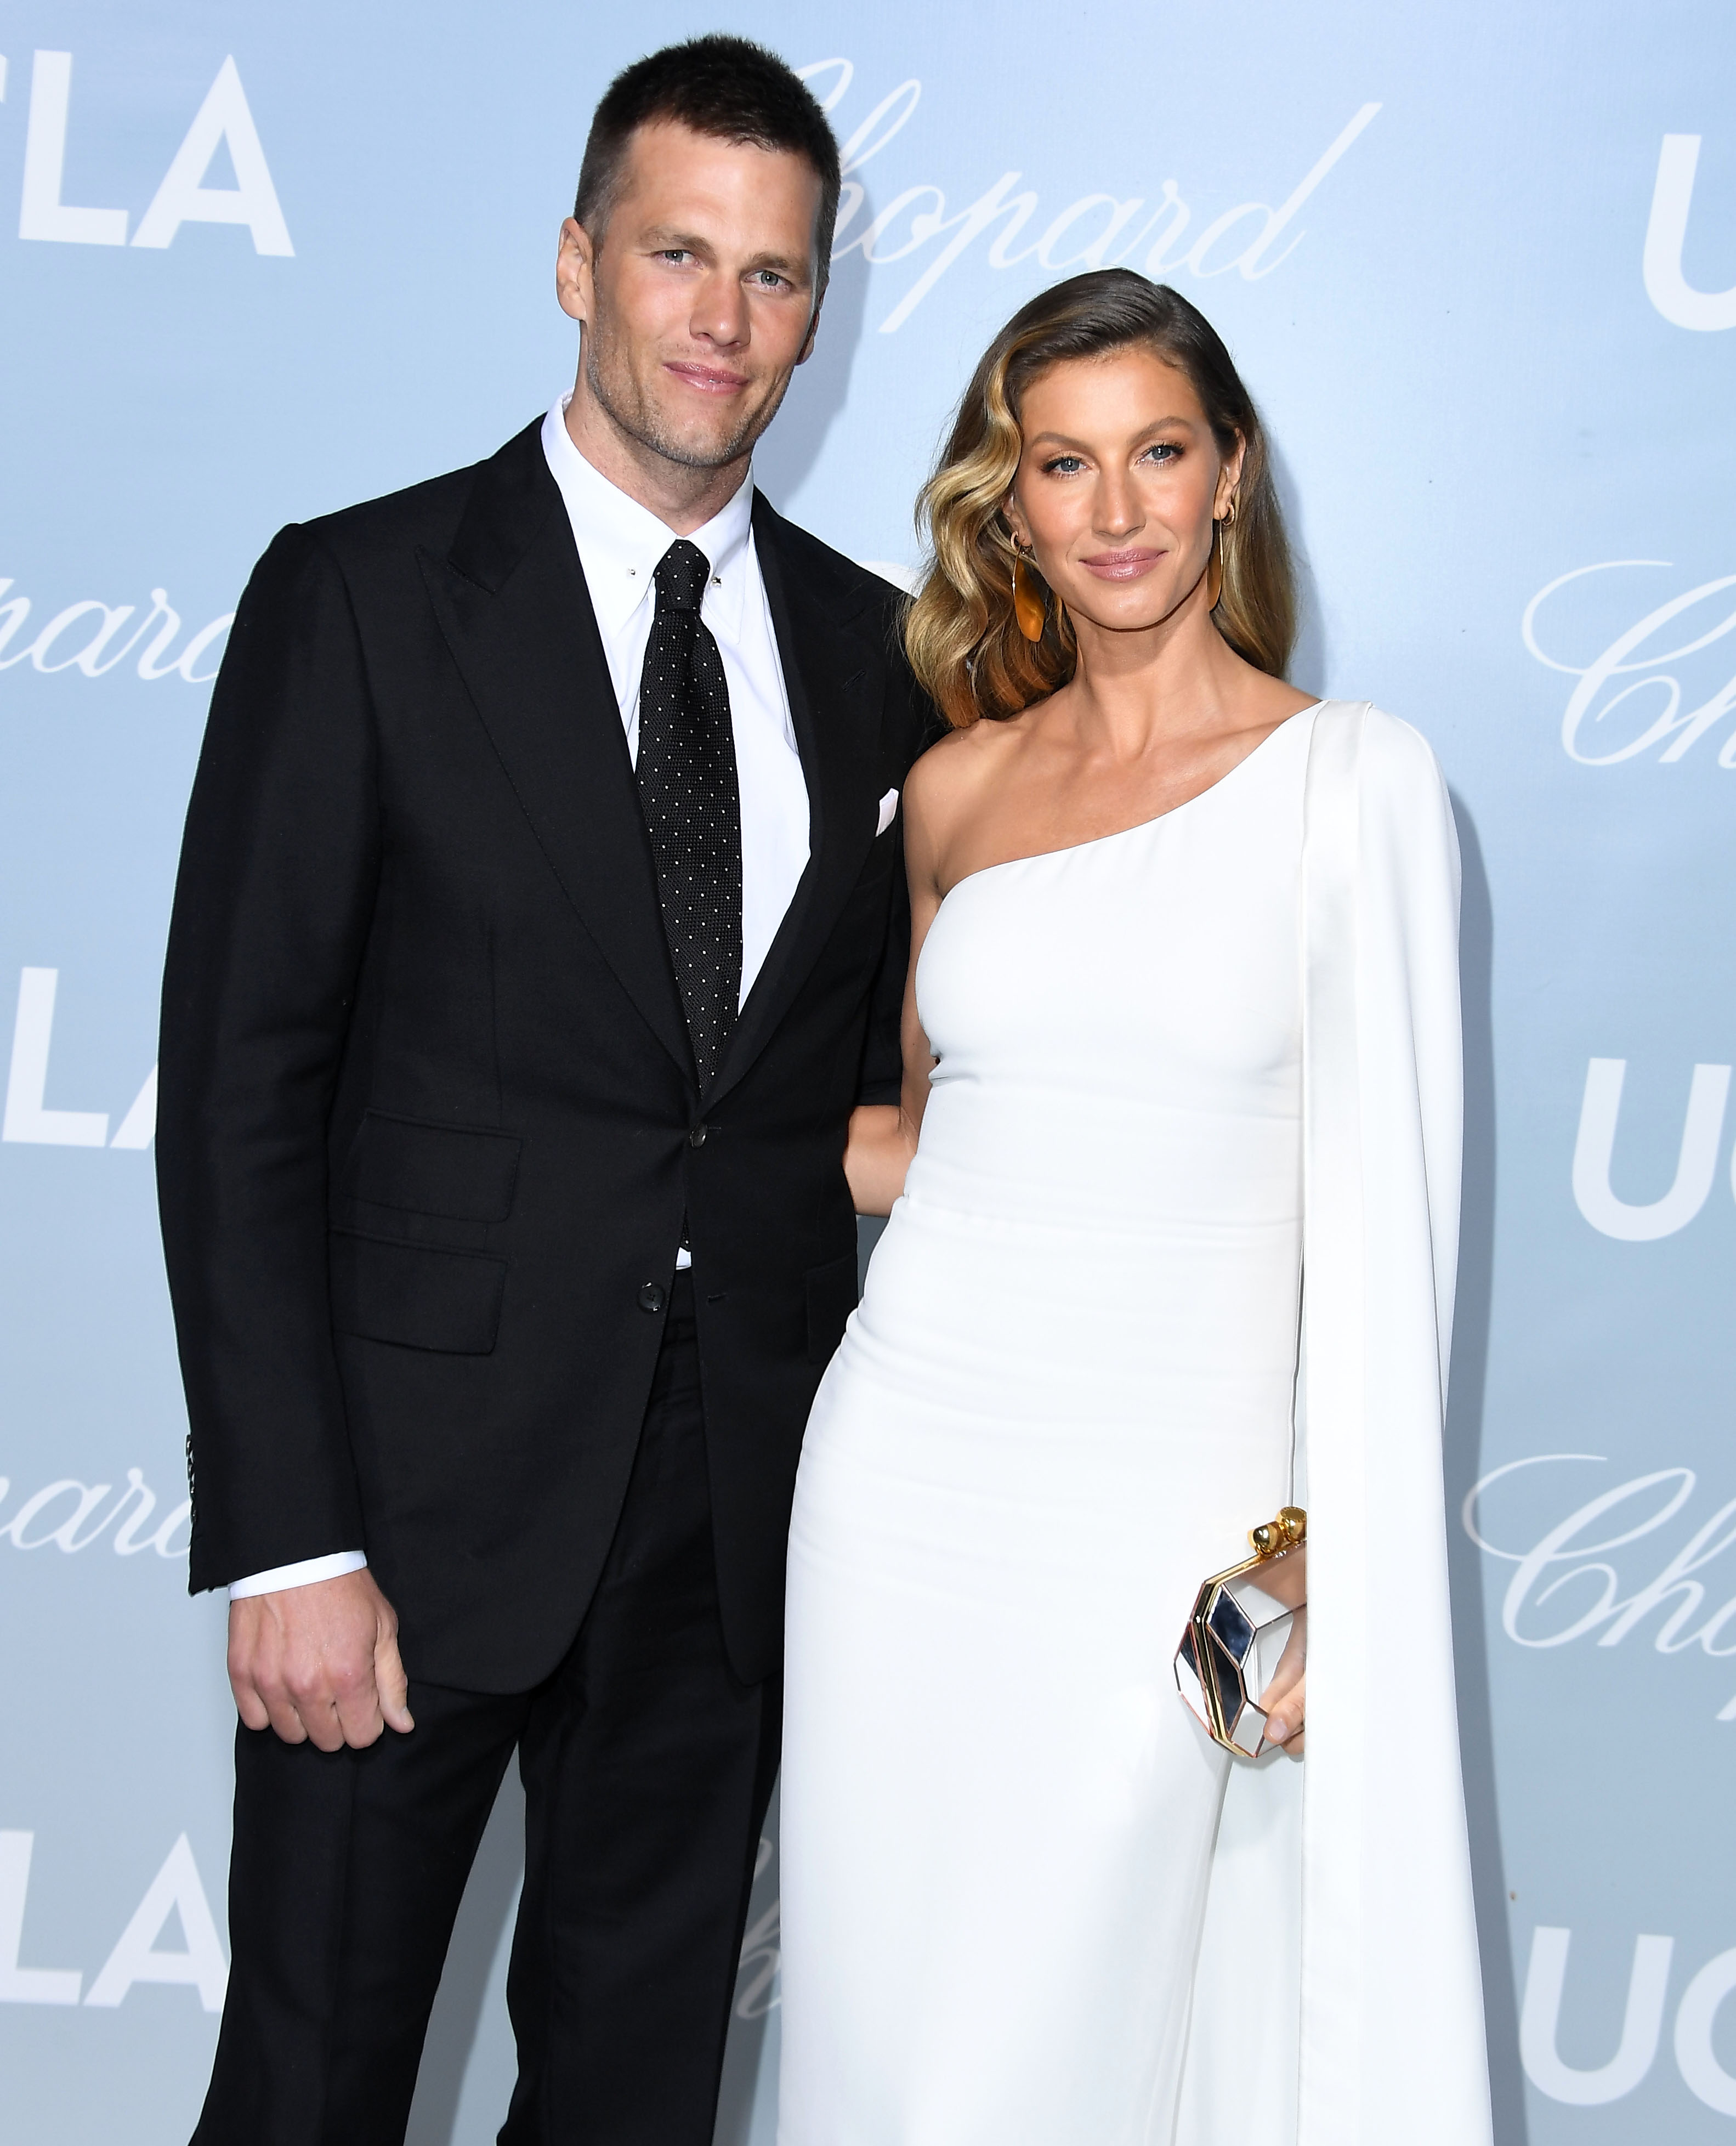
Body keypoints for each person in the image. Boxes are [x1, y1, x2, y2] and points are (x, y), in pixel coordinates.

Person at [156, 36, 929, 2146]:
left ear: (816, 314)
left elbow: (853, 1110)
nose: (722, 316)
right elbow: (238, 1093)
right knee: (309, 2090)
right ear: (575, 261)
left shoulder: (888, 662)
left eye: (776, 276)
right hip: (396, 1536)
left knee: (633, 2102)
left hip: (726, 1547)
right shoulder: (364, 597)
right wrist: (287, 1538)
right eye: (678, 252)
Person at [776, 270, 1493, 2145]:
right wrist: (632, 1149)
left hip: (1159, 1523)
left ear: (1231, 474)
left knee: (1066, 2056)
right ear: (1005, 505)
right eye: (1062, 464)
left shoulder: (1358, 785)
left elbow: (1390, 1238)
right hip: (901, 1490)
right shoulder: (950, 792)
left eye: (1157, 453)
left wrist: (1320, 1553)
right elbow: (929, 1149)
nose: (1114, 512)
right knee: (889, 2046)